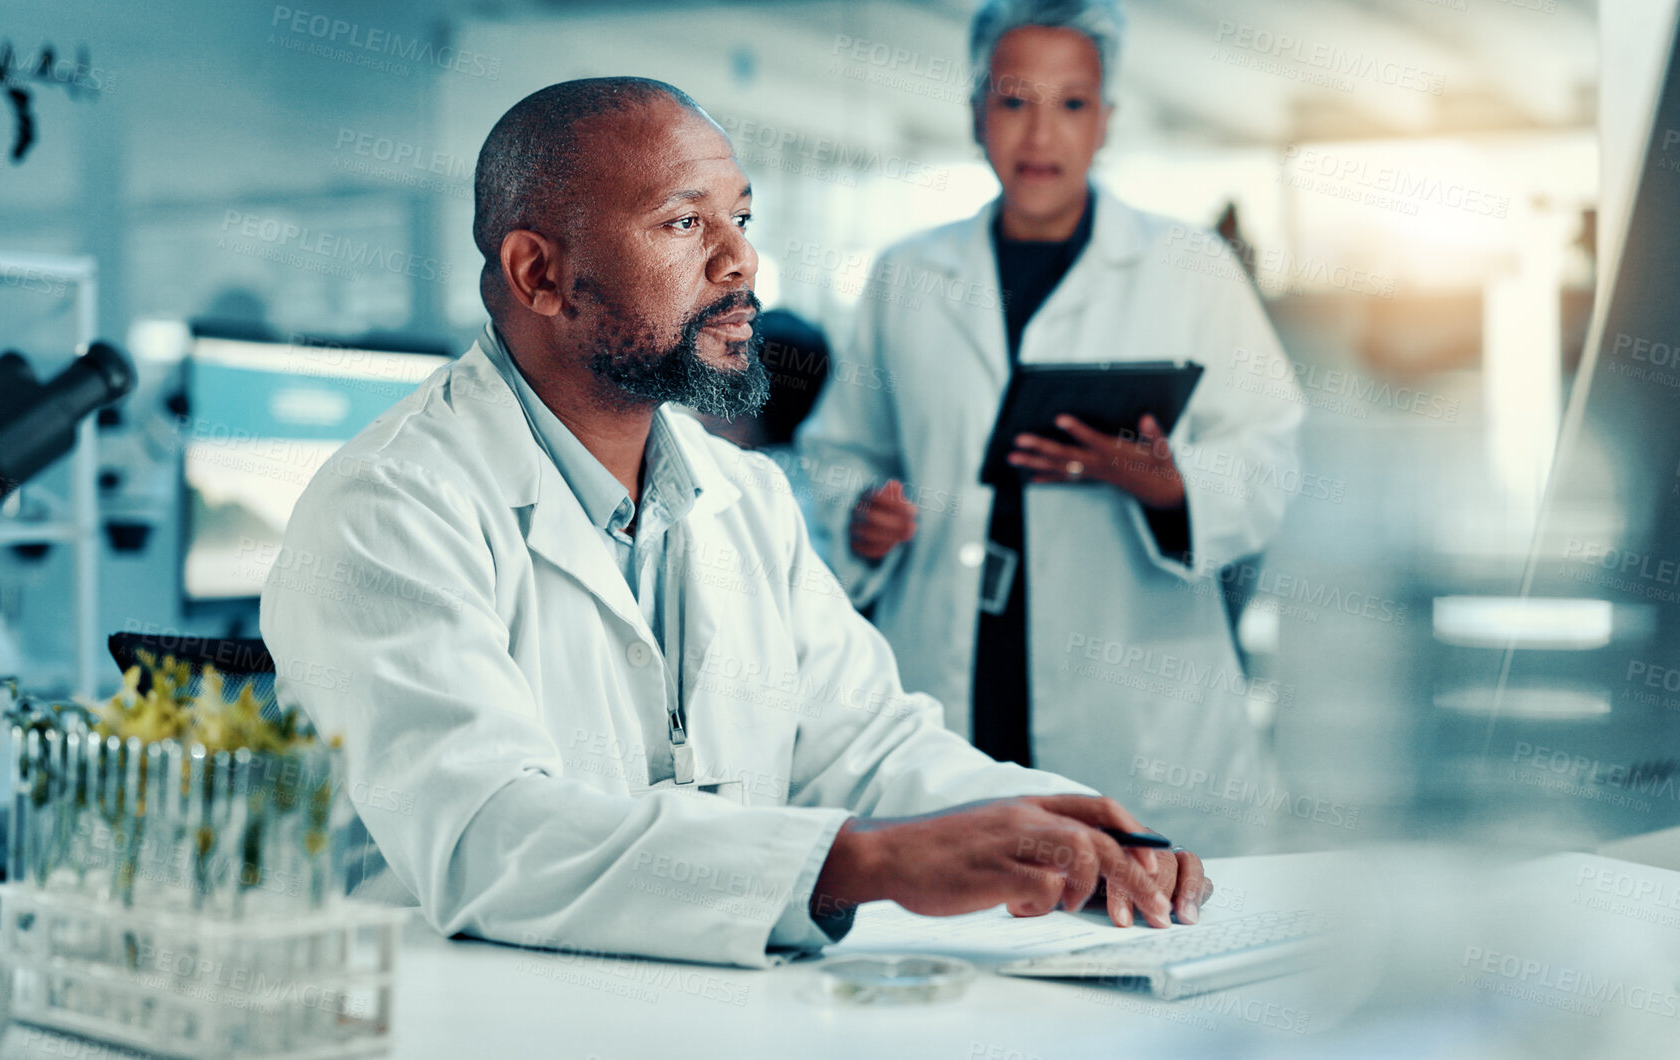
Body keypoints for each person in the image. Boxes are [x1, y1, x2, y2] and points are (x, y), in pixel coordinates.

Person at [261, 76, 1207, 969]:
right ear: (538, 273)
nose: (740, 259)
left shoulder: (742, 497)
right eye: (683, 222)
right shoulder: (388, 508)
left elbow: (866, 749)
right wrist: (866, 867)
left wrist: (1061, 830)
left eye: (741, 218)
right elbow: (485, 838)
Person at [795, 0, 1305, 850]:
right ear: (972, 114)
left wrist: (1169, 484)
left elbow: (1268, 454)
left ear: (1104, 121)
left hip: (1133, 699)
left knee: (1131, 925)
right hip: (953, 673)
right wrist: (862, 517)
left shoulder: (1189, 269)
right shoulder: (906, 275)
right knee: (965, 911)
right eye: (1012, 101)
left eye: (1071, 104)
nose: (1041, 135)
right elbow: (842, 449)